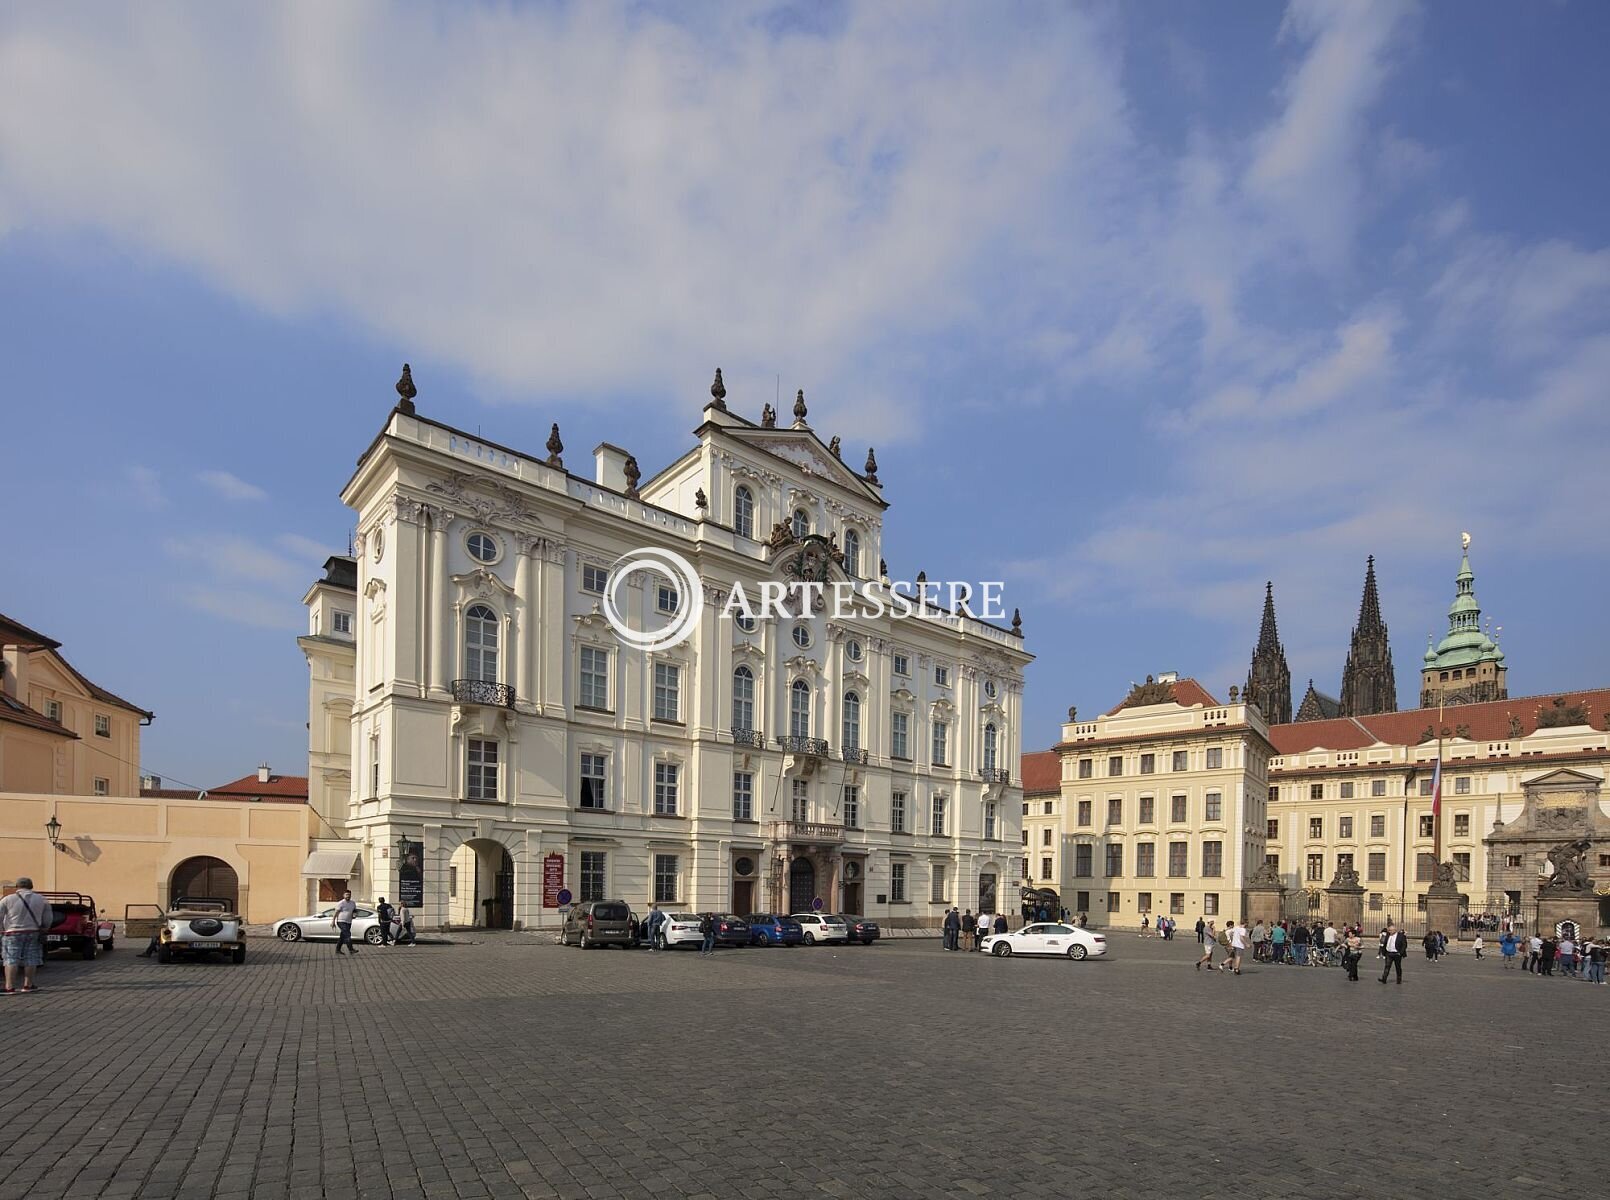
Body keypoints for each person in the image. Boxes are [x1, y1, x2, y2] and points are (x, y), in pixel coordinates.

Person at [1, 877, 52, 995]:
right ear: (31, 886)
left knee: (11, 959)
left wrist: (2, 930)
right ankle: (28, 985)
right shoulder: (42, 899)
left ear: (17, 887)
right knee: (31, 958)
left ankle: (9, 987)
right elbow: (48, 917)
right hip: (33, 932)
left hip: (12, 933)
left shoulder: (7, 899)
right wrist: (45, 928)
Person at [333, 890, 359, 955]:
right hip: (341, 921)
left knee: (343, 936)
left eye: (349, 895)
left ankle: (338, 950)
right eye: (346, 895)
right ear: (343, 895)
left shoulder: (353, 903)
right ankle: (351, 949)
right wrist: (333, 921)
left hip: (349, 921)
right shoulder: (341, 903)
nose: (348, 896)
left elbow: (355, 911)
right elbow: (336, 912)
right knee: (348, 935)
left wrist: (355, 915)